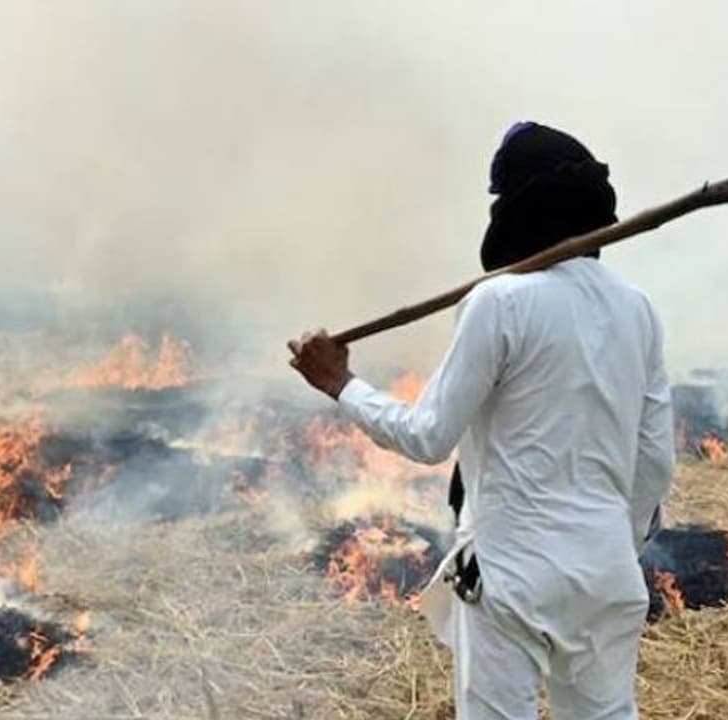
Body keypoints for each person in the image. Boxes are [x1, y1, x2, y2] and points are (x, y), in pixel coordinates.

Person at [288, 122, 675, 720]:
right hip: (608, 573)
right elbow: (655, 465)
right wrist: (606, 545)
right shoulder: (638, 309)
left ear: (516, 209)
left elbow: (426, 436)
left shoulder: (498, 301)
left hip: (511, 574)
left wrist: (341, 385)